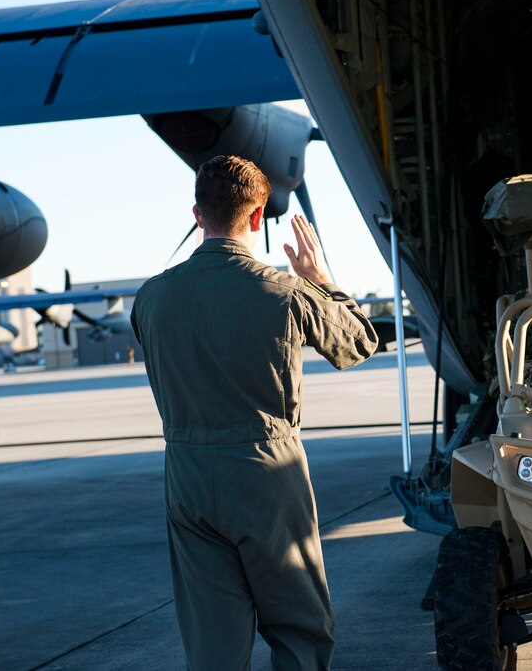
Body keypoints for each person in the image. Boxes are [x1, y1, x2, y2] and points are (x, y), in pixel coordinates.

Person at [131, 155, 379, 670]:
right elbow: (359, 342)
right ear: (258, 215)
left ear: (198, 214)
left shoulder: (151, 298)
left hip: (187, 476)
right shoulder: (286, 292)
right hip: (267, 471)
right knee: (299, 629)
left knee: (212, 643)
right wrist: (318, 276)